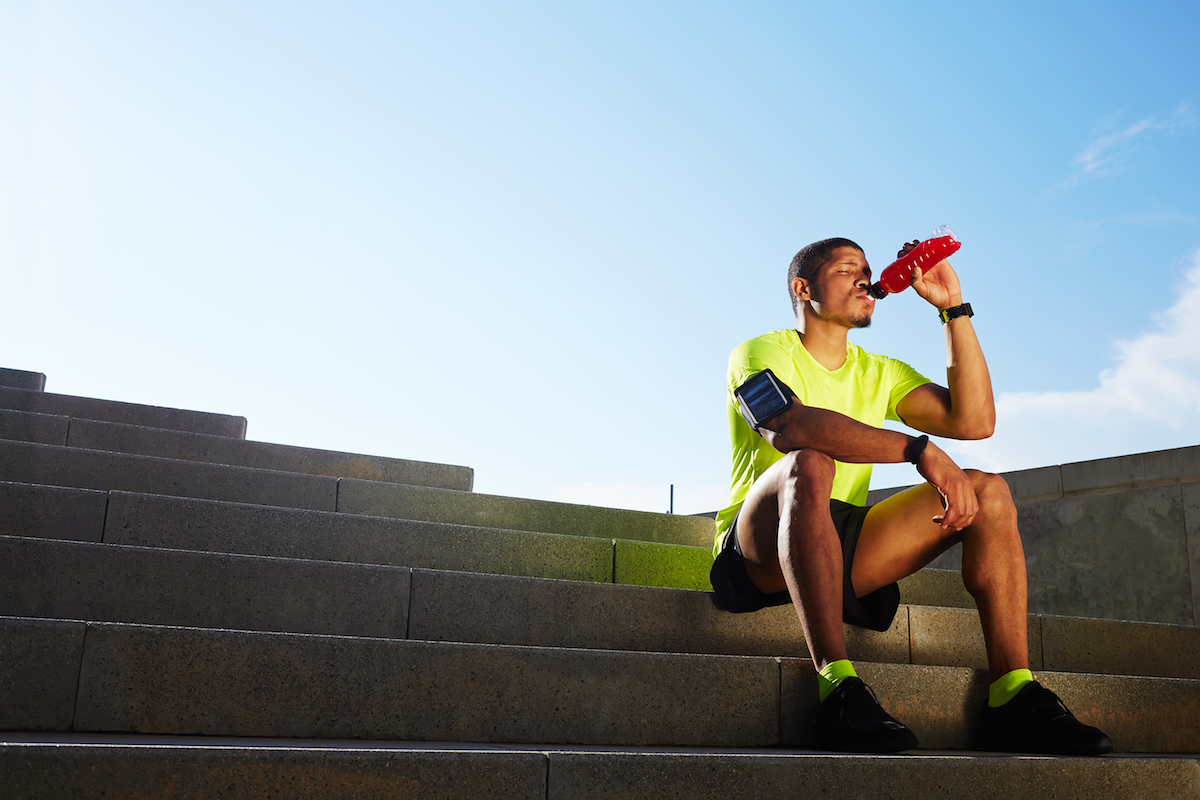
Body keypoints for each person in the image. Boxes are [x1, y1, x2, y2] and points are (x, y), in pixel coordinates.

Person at [709, 236, 1112, 755]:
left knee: (988, 492)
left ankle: (1012, 696)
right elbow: (785, 424)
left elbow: (975, 421)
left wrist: (953, 310)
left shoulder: (881, 371)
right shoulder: (759, 352)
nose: (865, 278)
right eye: (847, 269)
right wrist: (917, 449)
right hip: (757, 545)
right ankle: (837, 689)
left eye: (869, 270)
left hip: (841, 542)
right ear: (802, 288)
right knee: (808, 461)